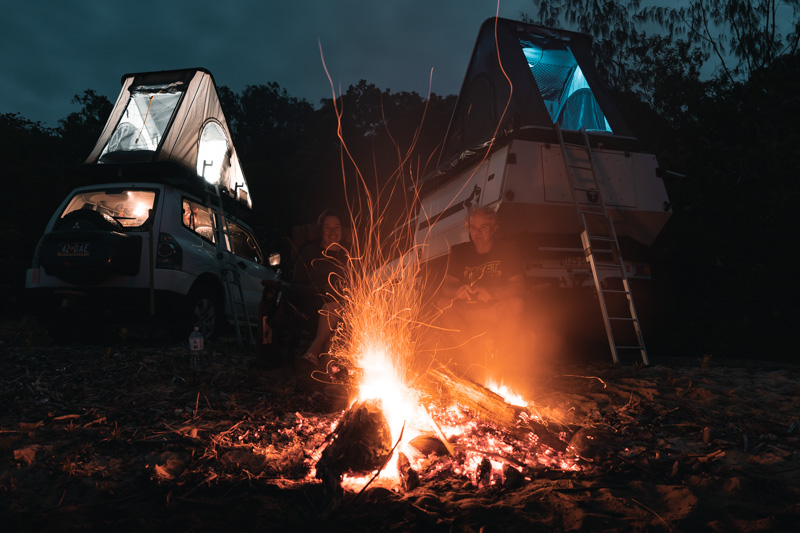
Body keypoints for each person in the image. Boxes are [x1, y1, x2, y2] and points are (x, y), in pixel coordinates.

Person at [436, 205, 526, 384]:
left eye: (483, 227)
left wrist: (493, 293)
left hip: (494, 308)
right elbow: (446, 288)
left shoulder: (507, 251)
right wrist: (458, 291)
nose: (477, 232)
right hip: (468, 309)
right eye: (474, 228)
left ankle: (498, 360)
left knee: (516, 303)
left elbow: (518, 286)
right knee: (443, 303)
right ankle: (472, 359)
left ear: (494, 228)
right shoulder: (460, 252)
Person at [291, 209, 349, 365]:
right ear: (320, 230)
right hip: (313, 302)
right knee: (332, 306)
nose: (332, 232)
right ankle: (317, 349)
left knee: (341, 310)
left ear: (342, 230)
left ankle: (322, 367)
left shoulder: (347, 255)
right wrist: (321, 289)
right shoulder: (310, 252)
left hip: (343, 305)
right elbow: (296, 286)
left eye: (336, 227)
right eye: (327, 227)